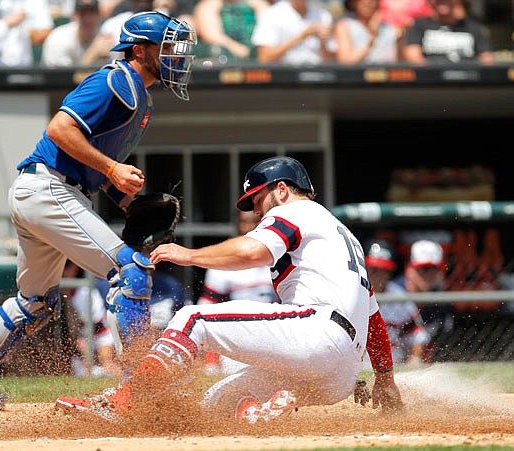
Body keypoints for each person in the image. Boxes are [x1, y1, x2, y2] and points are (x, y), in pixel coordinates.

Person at [0, 10, 197, 411]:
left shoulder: (139, 97)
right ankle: (138, 391)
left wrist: (122, 196)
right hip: (48, 188)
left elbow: (91, 158)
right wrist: (111, 168)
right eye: (166, 48)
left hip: (47, 191)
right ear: (140, 50)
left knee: (35, 302)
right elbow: (59, 129)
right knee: (130, 271)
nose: (176, 57)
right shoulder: (114, 79)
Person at [56, 156, 404, 424]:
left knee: (192, 318)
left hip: (316, 333)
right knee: (217, 400)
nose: (254, 209)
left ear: (282, 190)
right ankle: (257, 414)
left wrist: (189, 255)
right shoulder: (345, 237)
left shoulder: (298, 210)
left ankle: (125, 401)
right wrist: (385, 379)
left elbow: (255, 251)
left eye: (257, 197)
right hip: (339, 373)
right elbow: (373, 318)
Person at [197, 210, 278, 375]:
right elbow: (206, 311)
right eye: (245, 222)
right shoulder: (223, 263)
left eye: (255, 221)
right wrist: (211, 360)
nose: (250, 227)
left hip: (275, 336)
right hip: (238, 337)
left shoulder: (280, 258)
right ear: (237, 225)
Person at [364, 239, 430, 367]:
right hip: (359, 368)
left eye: (382, 270)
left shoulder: (399, 297)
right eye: (373, 269)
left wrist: (414, 359)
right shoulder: (354, 293)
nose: (377, 275)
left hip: (394, 367)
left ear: (389, 272)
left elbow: (417, 336)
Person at [61, 260, 122, 377]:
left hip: (95, 342)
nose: (63, 271)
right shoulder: (62, 293)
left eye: (66, 265)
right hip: (80, 339)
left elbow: (100, 329)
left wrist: (106, 361)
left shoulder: (84, 293)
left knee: (107, 368)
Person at [396, 239, 452, 362]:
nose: (428, 274)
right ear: (409, 267)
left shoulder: (440, 303)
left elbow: (433, 348)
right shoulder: (393, 293)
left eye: (433, 268)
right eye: (423, 268)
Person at [402, 0, 494, 64]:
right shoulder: (418, 25)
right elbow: (413, 57)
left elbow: (486, 58)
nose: (443, 1)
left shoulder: (474, 27)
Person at [250, 0, 335, 65]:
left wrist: (323, 42)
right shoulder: (271, 15)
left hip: (319, 78)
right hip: (284, 78)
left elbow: (331, 61)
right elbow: (264, 58)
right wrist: (301, 37)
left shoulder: (323, 16)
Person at [41, 0, 114, 67]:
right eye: (83, 13)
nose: (88, 19)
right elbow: (64, 78)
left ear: (99, 16)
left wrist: (107, 61)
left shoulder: (104, 37)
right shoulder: (58, 39)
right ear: (74, 16)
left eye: (92, 13)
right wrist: (91, 55)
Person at [192, 0, 269, 63]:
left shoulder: (258, 4)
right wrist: (238, 49)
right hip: (224, 57)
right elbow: (212, 35)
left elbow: (268, 32)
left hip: (256, 55)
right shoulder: (209, 5)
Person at [333, 0, 398, 64]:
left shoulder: (389, 28)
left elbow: (398, 64)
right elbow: (345, 62)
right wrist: (372, 40)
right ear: (353, 3)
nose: (368, 2)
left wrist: (399, 41)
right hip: (356, 74)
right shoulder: (344, 26)